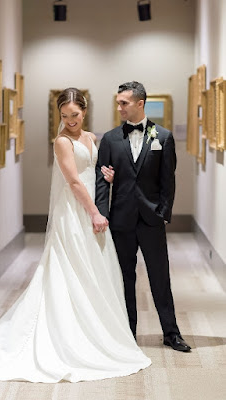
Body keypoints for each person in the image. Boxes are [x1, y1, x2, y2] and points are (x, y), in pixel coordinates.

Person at [0, 88, 151, 383]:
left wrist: (107, 176)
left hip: (89, 208)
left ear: (84, 112)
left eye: (74, 115)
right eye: (64, 116)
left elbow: (92, 171)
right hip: (75, 212)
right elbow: (73, 181)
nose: (70, 120)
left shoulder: (90, 138)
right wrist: (95, 213)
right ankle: (65, 334)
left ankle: (93, 330)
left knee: (94, 270)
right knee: (70, 267)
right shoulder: (61, 141)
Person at [96, 81, 191, 352]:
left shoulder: (164, 136)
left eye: (124, 103)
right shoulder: (110, 139)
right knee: (124, 278)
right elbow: (101, 182)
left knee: (160, 277)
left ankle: (171, 334)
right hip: (121, 220)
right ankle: (127, 334)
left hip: (151, 220)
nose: (119, 108)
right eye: (118, 102)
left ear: (140, 103)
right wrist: (103, 215)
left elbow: (168, 181)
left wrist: (163, 212)